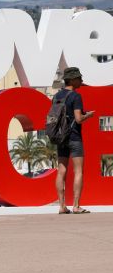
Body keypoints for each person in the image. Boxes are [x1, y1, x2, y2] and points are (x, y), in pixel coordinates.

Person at [54, 66, 95, 214]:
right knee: (78, 171)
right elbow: (78, 118)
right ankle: (76, 206)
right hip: (74, 137)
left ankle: (61, 206)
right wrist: (88, 115)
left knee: (61, 171)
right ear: (72, 79)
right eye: (78, 78)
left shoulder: (57, 96)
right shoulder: (76, 96)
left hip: (60, 137)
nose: (81, 81)